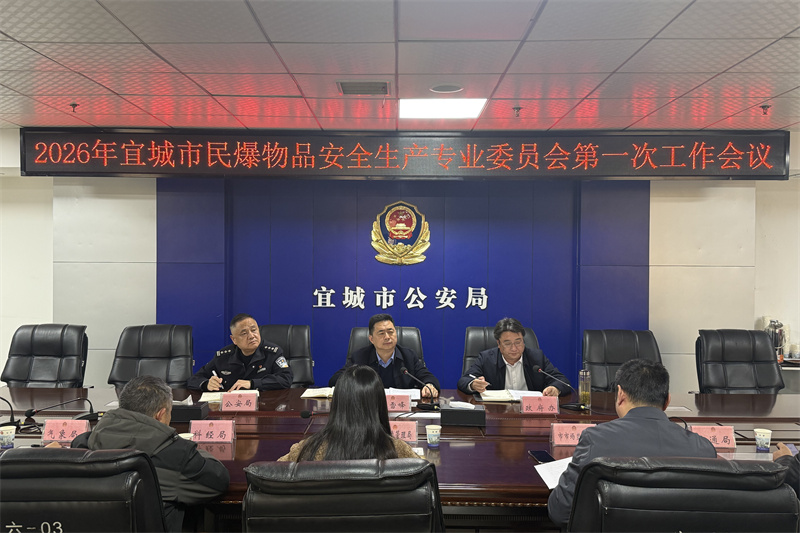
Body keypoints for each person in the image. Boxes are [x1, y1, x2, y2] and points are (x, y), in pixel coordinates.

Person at [547, 359, 717, 529]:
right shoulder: (703, 449)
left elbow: (561, 512)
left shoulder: (595, 439)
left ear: (620, 394)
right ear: (667, 401)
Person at [69, 375, 230, 532]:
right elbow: (218, 479)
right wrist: (189, 445)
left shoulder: (83, 445)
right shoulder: (176, 455)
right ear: (160, 415)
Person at [280, 365, 421, 461]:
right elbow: (426, 474)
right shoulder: (398, 451)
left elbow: (273, 474)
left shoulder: (308, 449)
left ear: (337, 403)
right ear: (379, 405)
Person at [328, 313, 440, 398]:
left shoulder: (409, 356)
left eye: (391, 332)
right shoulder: (360, 357)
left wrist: (429, 385)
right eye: (381, 333)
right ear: (371, 339)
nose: (387, 337)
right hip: (369, 411)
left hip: (403, 411)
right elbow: (336, 380)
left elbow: (429, 378)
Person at [457, 317, 569, 396]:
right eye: (507, 343)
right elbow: (464, 380)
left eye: (518, 342)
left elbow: (561, 380)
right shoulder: (486, 358)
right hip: (497, 412)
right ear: (499, 344)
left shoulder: (536, 357)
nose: (514, 348)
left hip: (530, 411)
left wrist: (555, 388)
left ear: (523, 341)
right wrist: (473, 384)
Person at [187, 313, 292, 391]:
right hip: (232, 408)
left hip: (264, 406)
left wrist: (252, 383)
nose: (251, 336)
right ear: (234, 340)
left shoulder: (272, 353)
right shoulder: (223, 356)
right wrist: (206, 384)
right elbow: (193, 379)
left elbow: (286, 378)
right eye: (244, 333)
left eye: (254, 330)